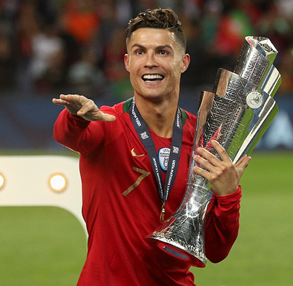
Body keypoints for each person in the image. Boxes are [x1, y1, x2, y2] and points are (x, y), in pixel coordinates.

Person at [52, 8, 251, 285]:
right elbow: (67, 135)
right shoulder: (108, 123)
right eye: (139, 52)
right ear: (127, 62)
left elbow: (217, 250)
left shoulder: (203, 141)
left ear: (183, 62)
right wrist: (75, 116)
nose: (150, 62)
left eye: (163, 52)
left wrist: (228, 197)